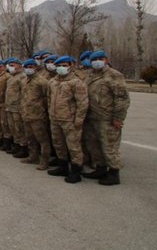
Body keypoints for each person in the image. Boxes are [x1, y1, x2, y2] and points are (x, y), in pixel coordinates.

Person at [82, 50, 130, 185]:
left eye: (100, 58)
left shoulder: (114, 75)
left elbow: (122, 98)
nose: (97, 61)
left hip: (107, 118)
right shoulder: (90, 75)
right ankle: (100, 168)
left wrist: (118, 118)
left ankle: (114, 173)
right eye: (94, 60)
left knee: (109, 146)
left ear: (106, 60)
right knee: (94, 145)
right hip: (91, 117)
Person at [47, 56, 89, 183]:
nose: (61, 68)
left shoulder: (76, 82)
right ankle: (63, 166)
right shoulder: (53, 82)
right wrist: (51, 114)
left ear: (71, 65)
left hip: (69, 120)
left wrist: (79, 120)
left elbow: (82, 103)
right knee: (58, 144)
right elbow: (49, 99)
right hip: (55, 118)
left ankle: (76, 170)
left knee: (74, 146)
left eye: (64, 65)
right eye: (59, 65)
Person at [20, 59, 52, 169]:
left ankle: (44, 160)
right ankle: (33, 156)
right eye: (27, 66)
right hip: (26, 114)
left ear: (35, 67)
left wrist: (45, 112)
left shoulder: (42, 81)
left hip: (38, 116)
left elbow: (47, 98)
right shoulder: (24, 81)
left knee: (42, 139)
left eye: (31, 66)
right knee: (30, 138)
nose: (29, 69)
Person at [4, 58, 27, 157]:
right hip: (10, 106)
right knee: (13, 127)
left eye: (13, 65)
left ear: (19, 65)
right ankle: (16, 145)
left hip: (18, 107)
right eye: (9, 65)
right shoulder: (11, 77)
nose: (10, 67)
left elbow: (24, 93)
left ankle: (23, 148)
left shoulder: (22, 77)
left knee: (20, 128)